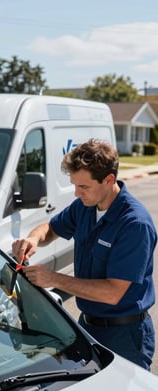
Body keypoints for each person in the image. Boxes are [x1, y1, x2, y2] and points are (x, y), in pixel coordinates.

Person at [12, 138, 157, 370]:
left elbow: (112, 293)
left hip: (125, 336)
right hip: (87, 326)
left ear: (109, 180)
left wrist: (53, 279)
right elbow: (50, 228)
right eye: (74, 185)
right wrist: (33, 238)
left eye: (84, 187)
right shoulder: (85, 206)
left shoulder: (134, 224)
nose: (77, 193)